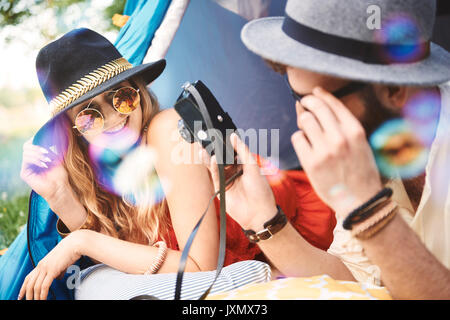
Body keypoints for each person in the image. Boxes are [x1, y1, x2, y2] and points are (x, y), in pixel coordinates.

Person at [14, 27, 335, 300]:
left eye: (120, 97)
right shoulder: (100, 164)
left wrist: (81, 241)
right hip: (201, 268)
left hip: (274, 239)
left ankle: (257, 277)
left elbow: (199, 268)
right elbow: (117, 253)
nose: (113, 118)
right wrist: (60, 197)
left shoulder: (167, 129)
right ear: (73, 130)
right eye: (89, 115)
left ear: (137, 90)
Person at [200, 0, 450, 299]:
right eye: (295, 95)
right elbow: (354, 279)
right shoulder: (373, 140)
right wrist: (263, 220)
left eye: (318, 101)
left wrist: (370, 211)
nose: (303, 120)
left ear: (394, 87)